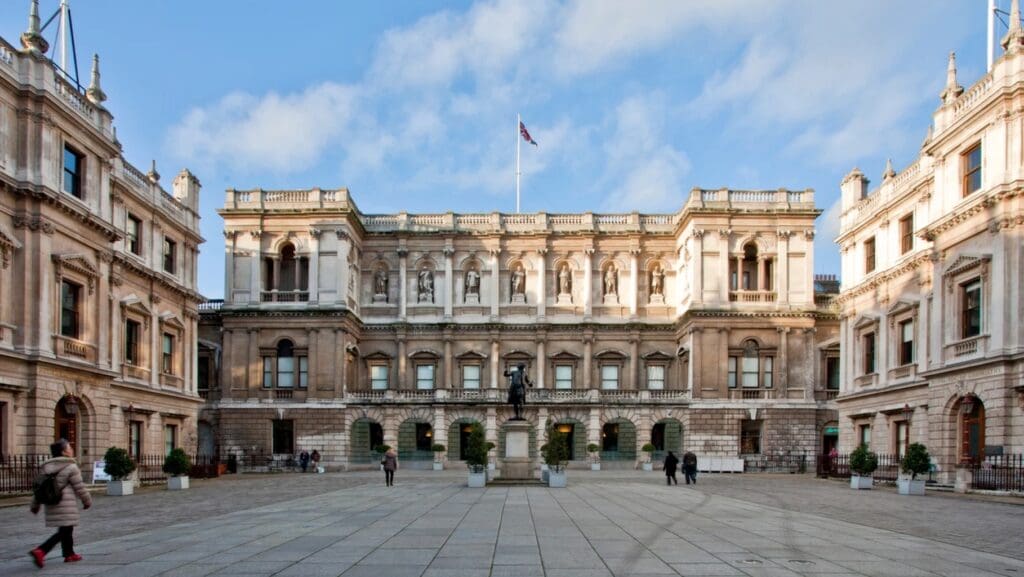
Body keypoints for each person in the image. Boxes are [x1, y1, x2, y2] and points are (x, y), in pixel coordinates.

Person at [28, 439, 92, 568]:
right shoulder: (71, 466)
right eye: (69, 447)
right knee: (64, 530)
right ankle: (41, 550)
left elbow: (40, 488)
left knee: (66, 528)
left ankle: (69, 554)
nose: (72, 449)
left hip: (51, 502)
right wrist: (87, 501)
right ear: (64, 452)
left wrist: (35, 505)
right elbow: (79, 487)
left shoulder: (46, 467)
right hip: (65, 503)